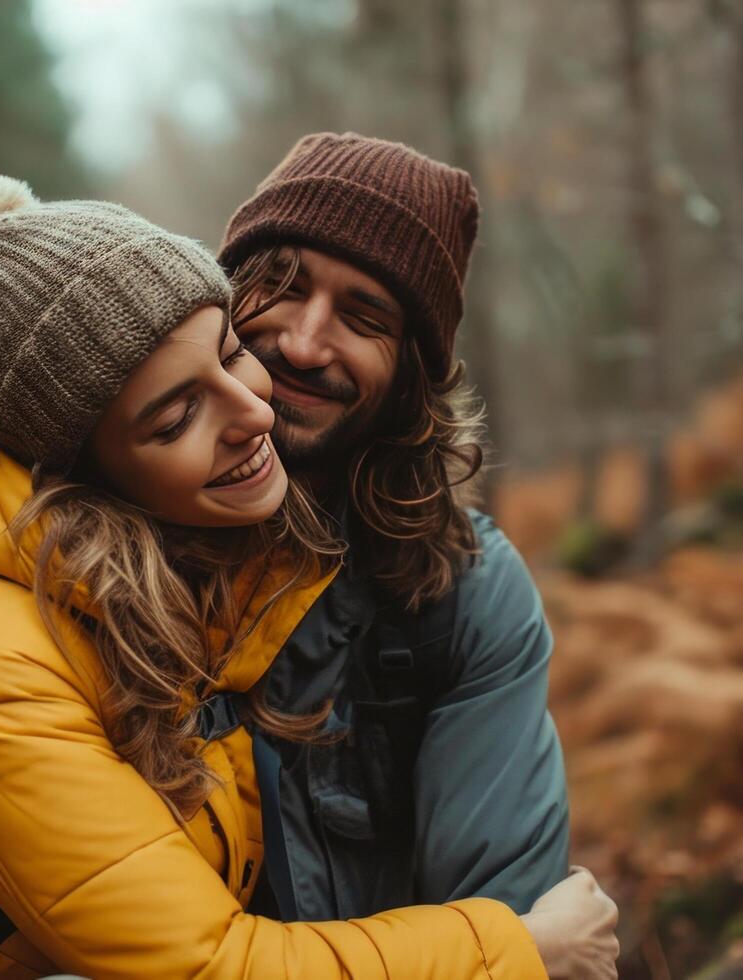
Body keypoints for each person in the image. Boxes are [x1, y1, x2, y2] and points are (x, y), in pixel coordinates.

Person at [0, 175, 619, 979]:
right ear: (81, 464)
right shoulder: (0, 666)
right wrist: (520, 951)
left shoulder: (213, 575)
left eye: (228, 354)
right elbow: (209, 965)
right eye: (176, 415)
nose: (257, 407)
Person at [213, 132, 575, 923]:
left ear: (412, 370)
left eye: (363, 315)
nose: (304, 343)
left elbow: (510, 928)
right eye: (282, 284)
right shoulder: (92, 540)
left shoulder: (463, 597)